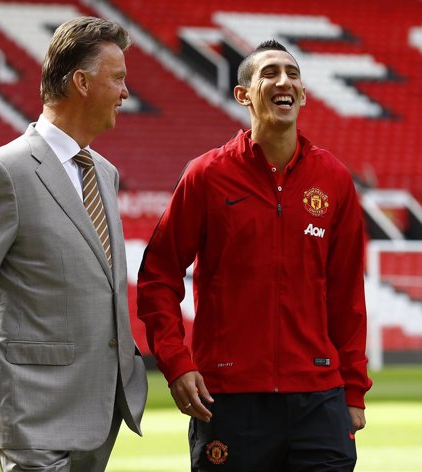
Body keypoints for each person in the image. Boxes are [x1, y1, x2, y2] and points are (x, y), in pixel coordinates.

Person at [0, 16, 147, 472]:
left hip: (100, 409)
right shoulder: (3, 171)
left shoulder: (104, 172)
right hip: (31, 408)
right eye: (118, 78)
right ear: (81, 82)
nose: (126, 93)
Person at [137, 39, 371, 471]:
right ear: (243, 95)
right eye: (270, 73)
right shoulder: (206, 175)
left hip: (319, 398)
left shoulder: (334, 178)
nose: (284, 81)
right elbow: (159, 276)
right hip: (228, 397)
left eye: (293, 74)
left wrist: (353, 390)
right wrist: (176, 362)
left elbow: (347, 296)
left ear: (302, 94)